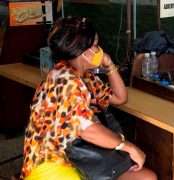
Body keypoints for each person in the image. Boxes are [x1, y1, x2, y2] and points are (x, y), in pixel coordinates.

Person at [21, 16, 157, 180]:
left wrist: (109, 65)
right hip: (53, 165)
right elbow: (87, 130)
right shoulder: (67, 82)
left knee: (147, 177)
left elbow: (119, 98)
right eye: (95, 46)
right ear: (84, 53)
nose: (99, 50)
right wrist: (128, 147)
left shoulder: (81, 75)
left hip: (80, 156)